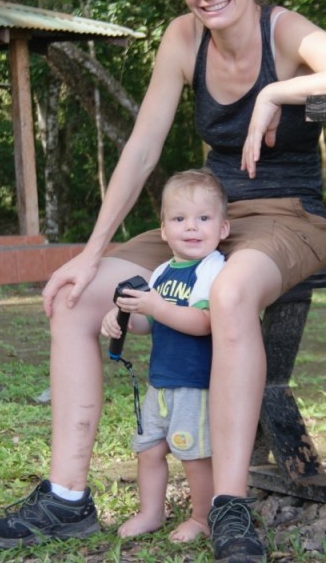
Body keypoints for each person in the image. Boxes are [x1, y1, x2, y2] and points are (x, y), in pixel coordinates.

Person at [0, 0, 326, 561]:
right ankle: (67, 498)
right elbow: (142, 150)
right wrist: (90, 253)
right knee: (75, 298)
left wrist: (279, 91)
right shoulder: (183, 38)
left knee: (229, 294)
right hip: (204, 223)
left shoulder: (282, 29)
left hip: (289, 218)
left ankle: (229, 506)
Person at [102, 168, 228, 542]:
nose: (191, 227)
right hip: (160, 382)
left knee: (193, 454)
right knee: (149, 449)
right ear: (163, 230)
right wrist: (124, 318)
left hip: (194, 383)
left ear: (222, 228)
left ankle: (202, 518)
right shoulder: (161, 272)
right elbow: (150, 323)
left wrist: (156, 306)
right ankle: (150, 513)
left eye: (203, 218)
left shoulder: (213, 269)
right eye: (179, 219)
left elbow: (203, 323)